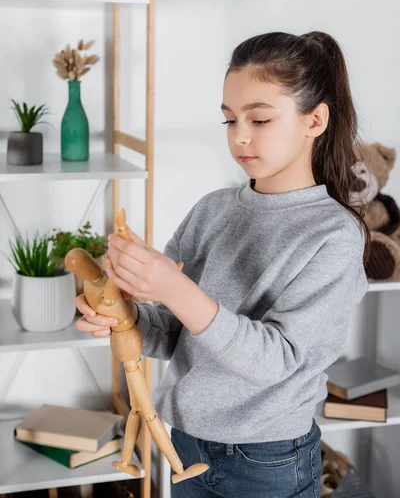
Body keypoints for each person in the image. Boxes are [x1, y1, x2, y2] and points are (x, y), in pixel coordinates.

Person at [75, 30, 370, 498]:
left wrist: (175, 288)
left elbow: (280, 361)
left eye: (259, 119)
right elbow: (179, 332)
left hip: (269, 458)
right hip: (187, 443)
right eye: (229, 121)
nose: (240, 137)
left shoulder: (333, 236)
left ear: (315, 121)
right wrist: (126, 317)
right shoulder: (213, 209)